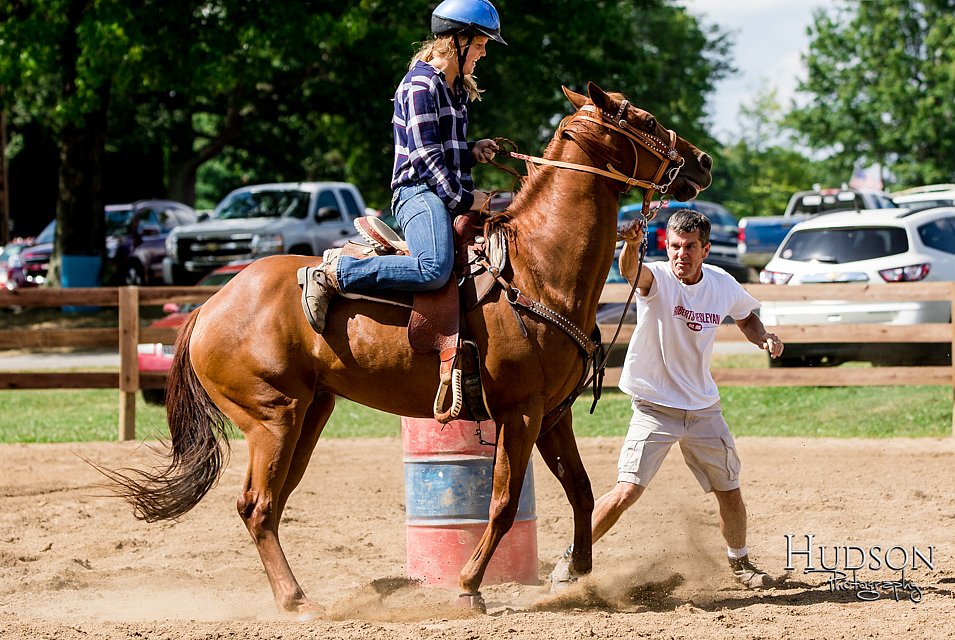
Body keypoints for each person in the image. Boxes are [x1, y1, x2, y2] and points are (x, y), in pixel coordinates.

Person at [550, 209, 785, 592]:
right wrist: (630, 245)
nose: (681, 254)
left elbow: (746, 315)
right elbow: (631, 273)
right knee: (626, 491)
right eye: (675, 246)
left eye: (690, 247)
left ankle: (740, 563)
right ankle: (571, 560)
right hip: (655, 407)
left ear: (705, 249)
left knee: (730, 490)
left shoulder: (722, 284)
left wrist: (763, 337)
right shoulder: (657, 278)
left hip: (703, 408)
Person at [298, 0, 506, 334]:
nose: (483, 54)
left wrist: (472, 151)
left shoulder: (455, 90)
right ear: (456, 41)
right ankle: (337, 272)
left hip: (443, 190)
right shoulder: (420, 85)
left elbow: (441, 149)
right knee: (433, 268)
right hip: (418, 193)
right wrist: (467, 200)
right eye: (479, 45)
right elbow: (425, 160)